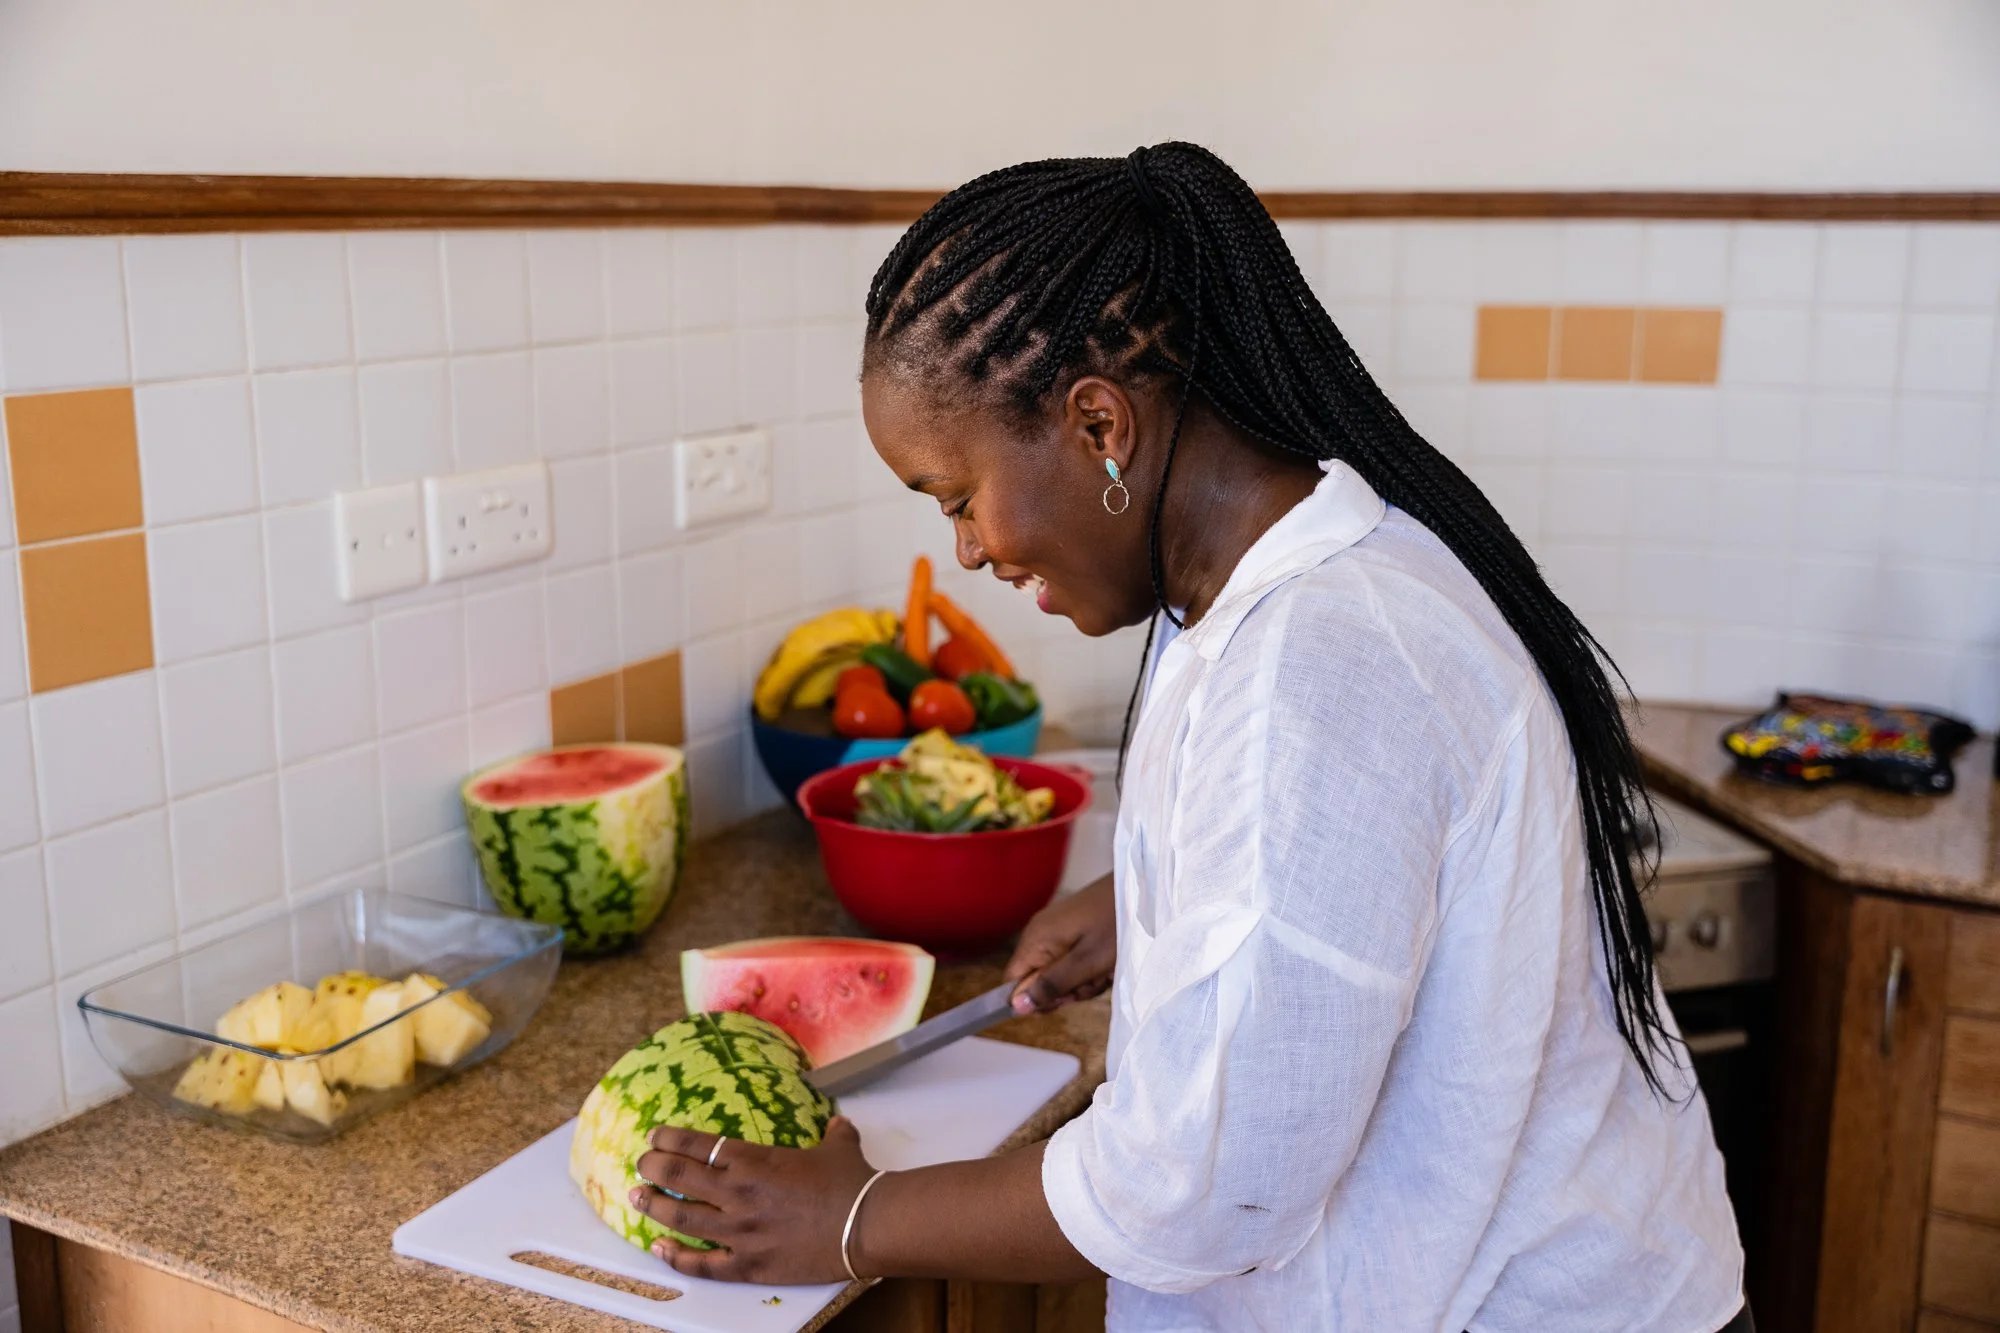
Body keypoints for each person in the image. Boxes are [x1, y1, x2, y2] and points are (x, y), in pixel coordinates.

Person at [626, 143, 1750, 1332]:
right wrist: (1157, 899)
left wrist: (853, 1217)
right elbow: (1346, 864)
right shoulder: (1259, 574)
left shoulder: (1314, 666)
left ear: (1098, 424)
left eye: (956, 496)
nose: (964, 549)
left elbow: (1198, 1186)